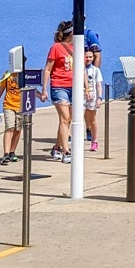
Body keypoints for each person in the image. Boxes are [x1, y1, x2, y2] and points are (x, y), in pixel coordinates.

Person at [43, 21, 75, 162]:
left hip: (74, 86)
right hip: (59, 85)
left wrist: (86, 87)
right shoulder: (56, 48)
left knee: (69, 119)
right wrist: (44, 89)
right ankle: (66, 151)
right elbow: (48, 68)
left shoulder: (77, 47)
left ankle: (56, 147)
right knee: (65, 118)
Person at [0, 67, 23, 165]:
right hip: (8, 105)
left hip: (20, 107)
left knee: (18, 129)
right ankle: (6, 153)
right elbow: (0, 90)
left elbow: (31, 89)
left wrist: (40, 95)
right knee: (10, 127)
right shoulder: (7, 75)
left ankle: (12, 152)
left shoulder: (25, 75)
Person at [84, 47, 103, 151]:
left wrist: (99, 98)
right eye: (86, 57)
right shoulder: (78, 69)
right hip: (81, 97)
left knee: (92, 120)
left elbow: (99, 85)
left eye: (90, 57)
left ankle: (94, 141)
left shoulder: (95, 70)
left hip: (92, 97)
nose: (89, 59)